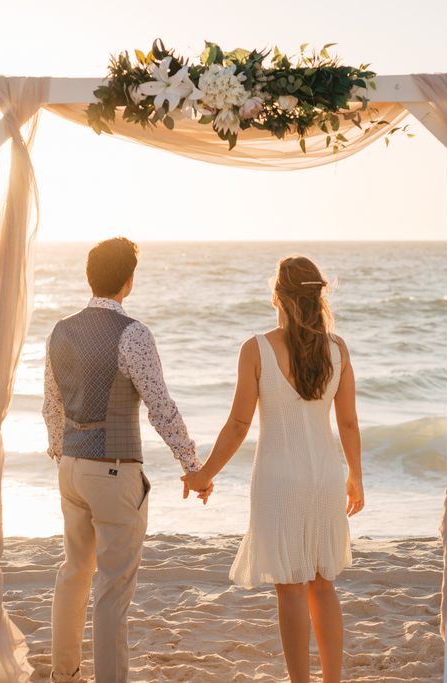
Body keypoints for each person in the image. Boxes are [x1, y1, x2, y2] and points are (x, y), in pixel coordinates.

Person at [182, 255, 365, 683]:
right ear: (317, 297)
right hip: (324, 477)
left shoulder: (257, 349)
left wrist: (204, 474)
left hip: (279, 482)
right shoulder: (337, 350)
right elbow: (349, 422)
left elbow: (238, 425)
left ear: (278, 298)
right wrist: (355, 476)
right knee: (323, 583)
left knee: (290, 587)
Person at [42, 236, 212, 683]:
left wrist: (64, 456)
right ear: (129, 281)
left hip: (71, 469)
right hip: (114, 471)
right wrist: (192, 467)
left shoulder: (60, 330)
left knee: (75, 571)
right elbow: (160, 406)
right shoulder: (133, 334)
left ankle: (64, 675)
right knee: (113, 589)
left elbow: (51, 407)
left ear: (90, 277)